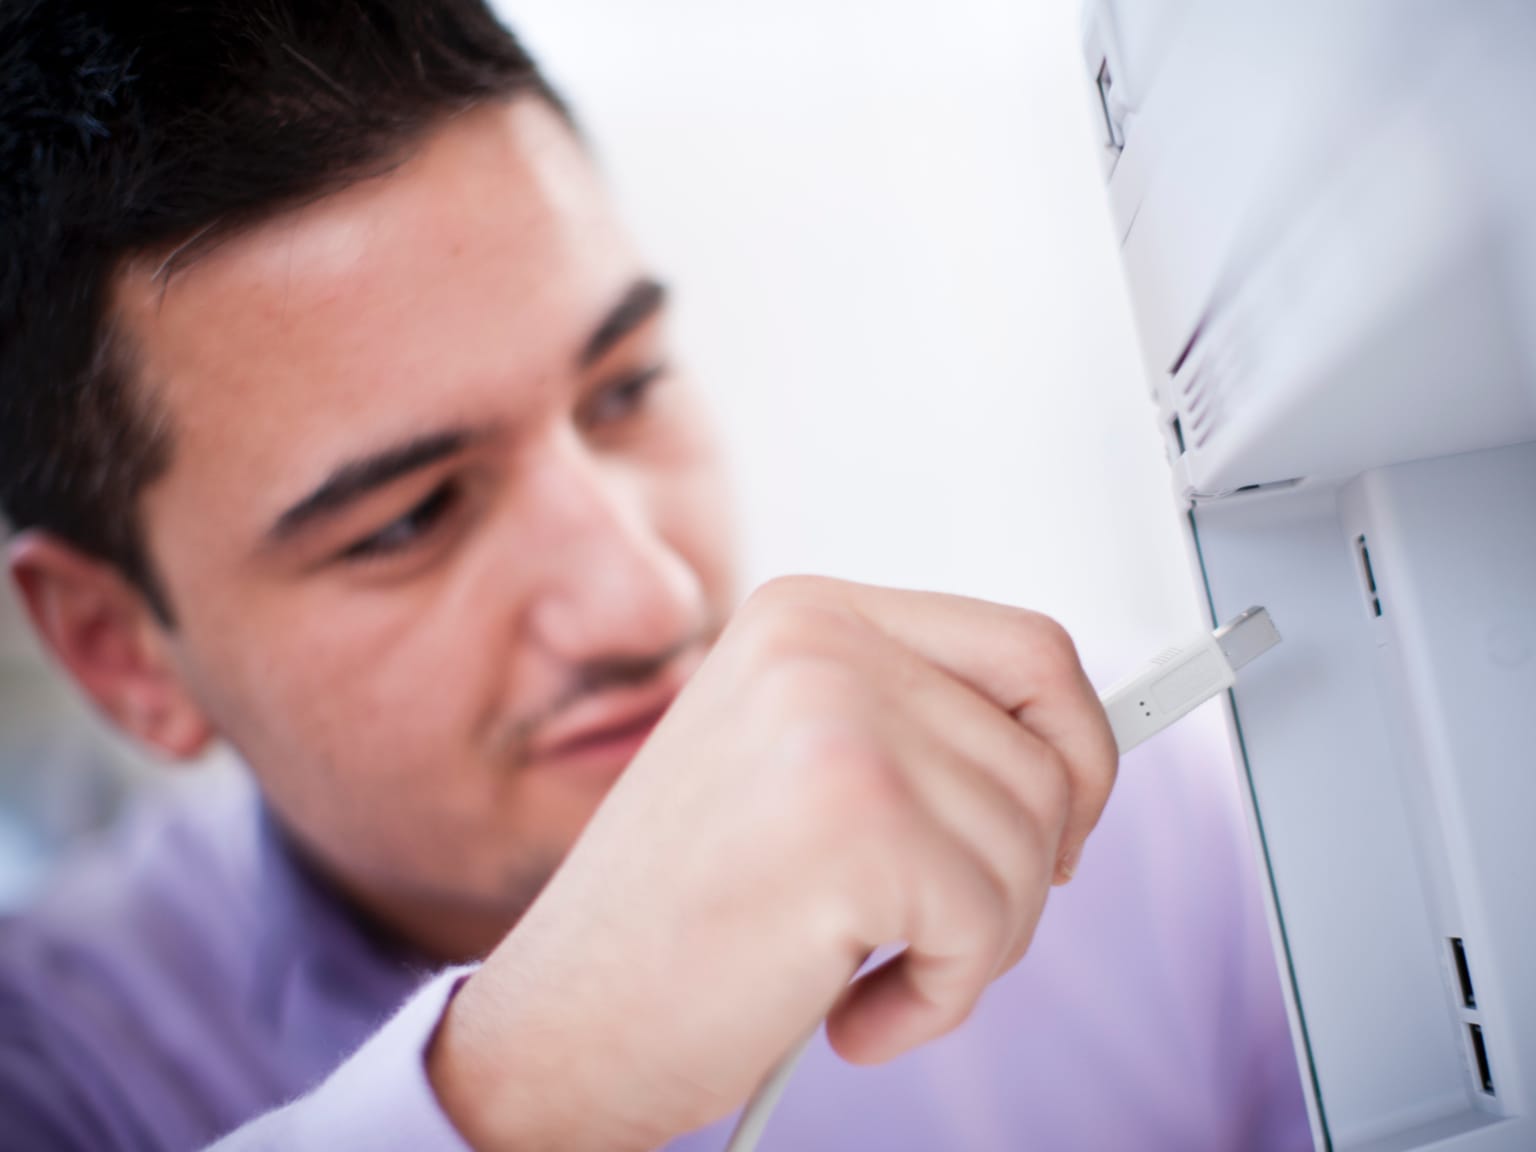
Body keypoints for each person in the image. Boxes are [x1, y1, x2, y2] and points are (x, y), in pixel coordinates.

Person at [0, 1, 1311, 1149]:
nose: (651, 601)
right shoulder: (49, 1078)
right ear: (121, 649)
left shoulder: (1123, 831)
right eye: (408, 520)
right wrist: (509, 1097)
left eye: (624, 388)